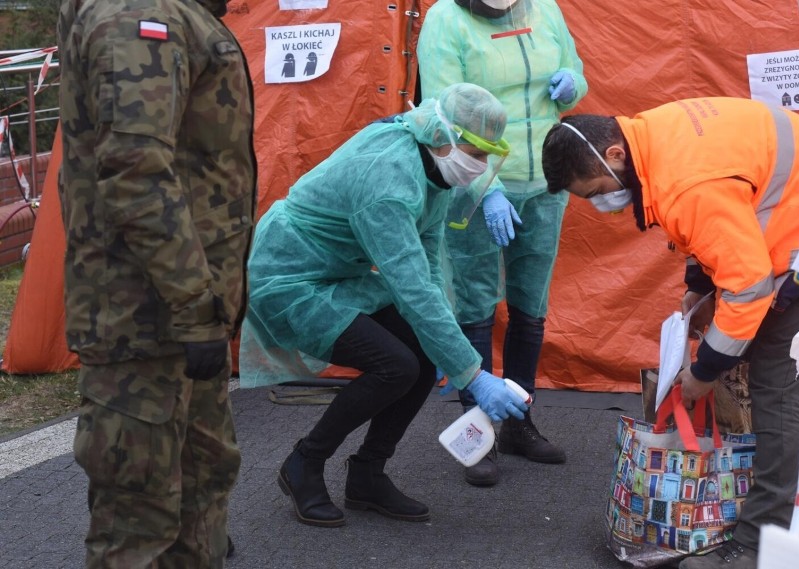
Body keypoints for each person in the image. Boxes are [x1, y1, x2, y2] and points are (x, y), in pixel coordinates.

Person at [540, 97, 799, 569]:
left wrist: (705, 369)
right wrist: (700, 290)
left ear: (615, 154)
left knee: (778, 389)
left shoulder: (685, 183)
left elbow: (747, 286)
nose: (600, 203)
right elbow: (712, 226)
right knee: (756, 363)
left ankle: (759, 545)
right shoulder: (649, 135)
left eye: (596, 190)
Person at [240, 82, 529, 528]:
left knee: (419, 348)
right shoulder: (388, 182)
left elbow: (429, 264)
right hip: (289, 278)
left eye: (489, 154)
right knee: (396, 364)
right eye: (476, 151)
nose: (481, 166)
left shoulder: (432, 166)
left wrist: (447, 349)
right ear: (443, 136)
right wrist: (473, 373)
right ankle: (303, 463)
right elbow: (411, 288)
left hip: (336, 272)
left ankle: (367, 475)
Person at [57, 0, 256, 566]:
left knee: (202, 489)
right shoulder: (139, 15)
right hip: (147, 321)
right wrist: (195, 307)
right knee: (139, 521)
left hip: (184, 316)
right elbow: (136, 170)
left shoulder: (176, 13)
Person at [417, 0, 588, 487]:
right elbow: (444, 113)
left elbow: (572, 67)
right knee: (475, 307)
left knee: (530, 308)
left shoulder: (545, 8)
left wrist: (573, 82)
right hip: (478, 186)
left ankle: (518, 423)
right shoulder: (445, 20)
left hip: (545, 184)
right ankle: (477, 431)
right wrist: (485, 191)